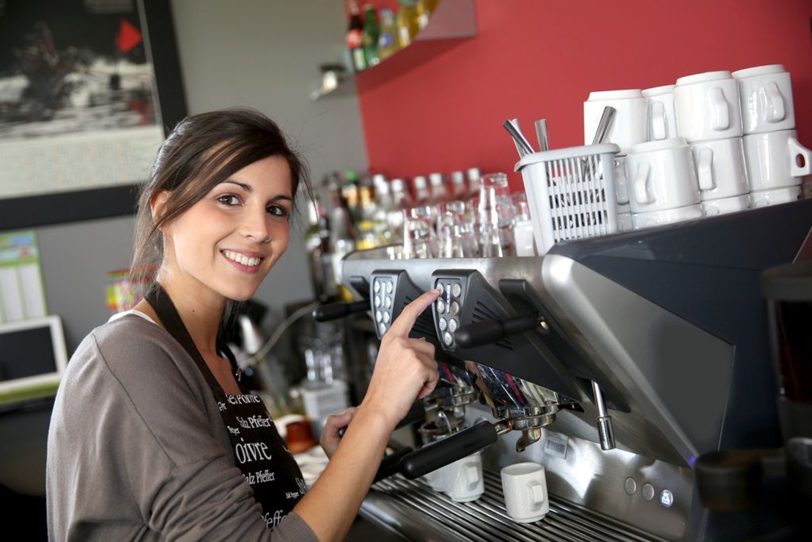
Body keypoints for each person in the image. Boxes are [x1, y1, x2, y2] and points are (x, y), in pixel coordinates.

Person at [46, 108, 441, 541]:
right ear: (164, 209)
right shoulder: (129, 357)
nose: (259, 229)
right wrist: (379, 411)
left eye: (276, 208)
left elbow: (261, 517)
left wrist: (350, 457)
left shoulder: (213, 356)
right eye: (229, 198)